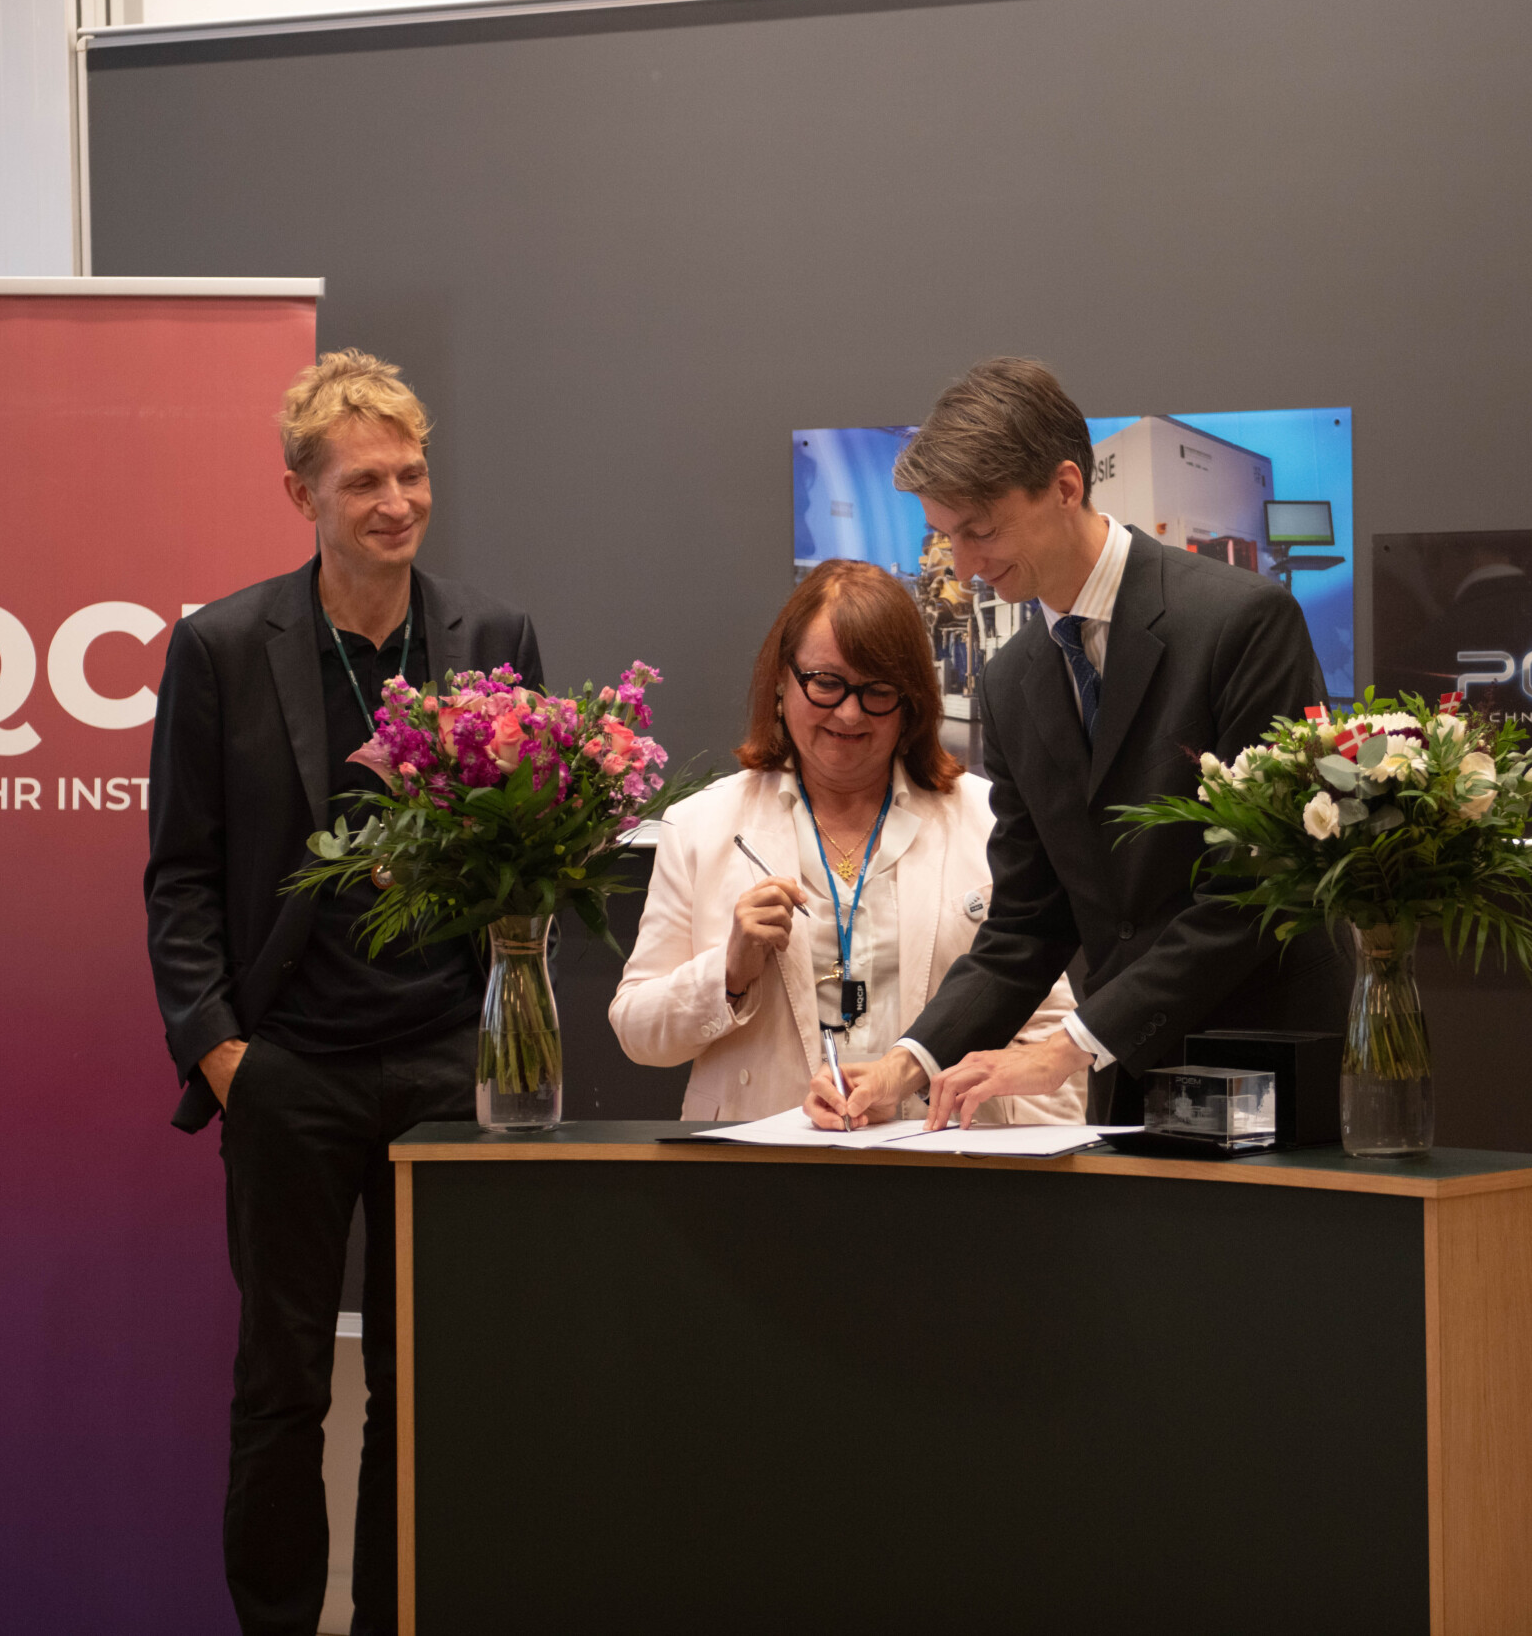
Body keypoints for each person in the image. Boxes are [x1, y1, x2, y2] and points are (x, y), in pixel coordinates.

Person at [144, 350, 543, 1636]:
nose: (395, 502)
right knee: (282, 1388)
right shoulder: (218, 646)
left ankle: (393, 1618)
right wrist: (221, 1055)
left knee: (421, 1393)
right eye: (363, 480)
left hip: (443, 1062)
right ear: (298, 493)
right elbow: (180, 875)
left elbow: (529, 843)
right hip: (288, 1072)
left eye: (412, 473)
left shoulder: (492, 636)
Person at [811, 357, 1343, 1131]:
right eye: (943, 536)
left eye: (979, 530)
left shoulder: (1242, 624)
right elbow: (1028, 921)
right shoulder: (1012, 679)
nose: (962, 565)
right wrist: (907, 1063)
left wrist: (1069, 1045)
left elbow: (1258, 890)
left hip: (1270, 1065)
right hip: (1130, 1080)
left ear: (1065, 486)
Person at [612, 561, 1082, 1124]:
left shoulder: (988, 820)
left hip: (948, 1173)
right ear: (782, 683)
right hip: (762, 1177)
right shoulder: (703, 825)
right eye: (826, 683)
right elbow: (638, 1032)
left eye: (878, 690)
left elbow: (1050, 1036)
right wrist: (729, 974)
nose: (850, 712)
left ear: (911, 701)